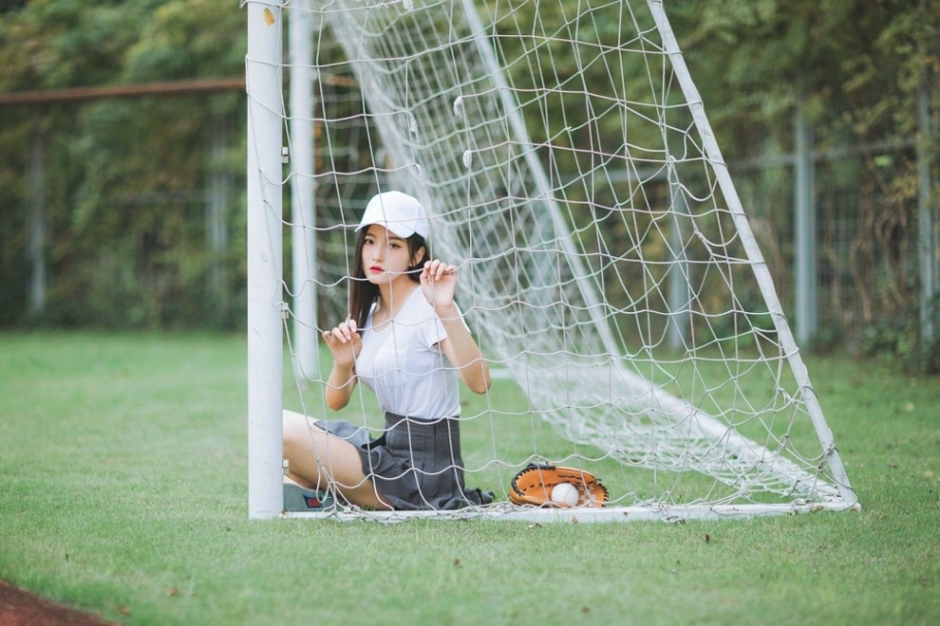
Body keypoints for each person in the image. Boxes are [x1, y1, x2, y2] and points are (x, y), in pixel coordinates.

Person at [282, 191, 494, 510]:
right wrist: (343, 363)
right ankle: (323, 497)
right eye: (370, 241)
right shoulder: (367, 313)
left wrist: (446, 308)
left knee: (280, 432)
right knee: (274, 437)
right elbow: (335, 402)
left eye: (393, 245)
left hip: (425, 475)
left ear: (416, 255)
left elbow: (480, 383)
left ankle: (329, 496)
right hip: (388, 452)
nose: (377, 254)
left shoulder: (429, 304)